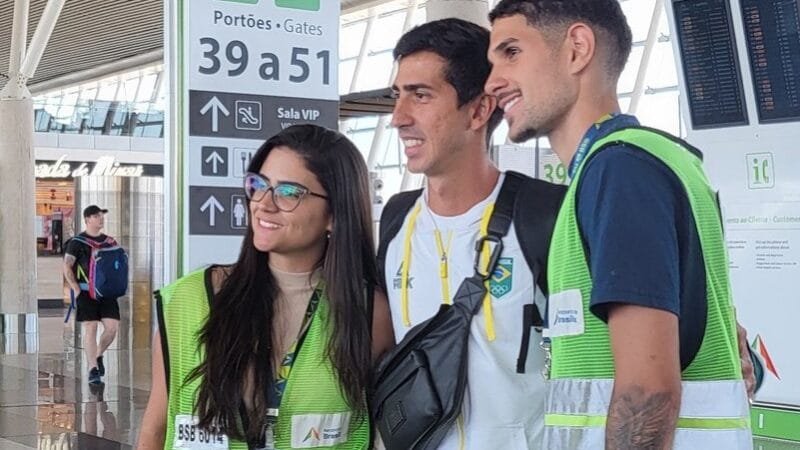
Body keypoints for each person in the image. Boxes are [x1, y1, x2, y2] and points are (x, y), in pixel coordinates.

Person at [486, 1, 753, 448]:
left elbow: (646, 392)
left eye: (511, 52)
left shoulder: (619, 170)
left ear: (577, 49)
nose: (493, 82)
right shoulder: (654, 160)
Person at [137, 124, 394, 449]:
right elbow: (155, 429)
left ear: (334, 214)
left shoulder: (369, 312)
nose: (263, 203)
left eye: (288, 192)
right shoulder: (189, 300)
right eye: (259, 185)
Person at [378, 18, 563, 449]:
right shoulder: (396, 220)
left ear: (479, 110)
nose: (398, 119)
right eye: (397, 96)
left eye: (420, 96)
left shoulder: (545, 214)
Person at [63, 205, 120, 385]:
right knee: (91, 327)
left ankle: (98, 354)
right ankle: (92, 368)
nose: (101, 218)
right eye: (96, 216)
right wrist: (76, 289)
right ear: (87, 219)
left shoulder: (110, 242)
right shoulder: (77, 242)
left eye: (101, 215)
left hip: (106, 292)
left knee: (111, 329)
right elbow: (67, 266)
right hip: (86, 291)